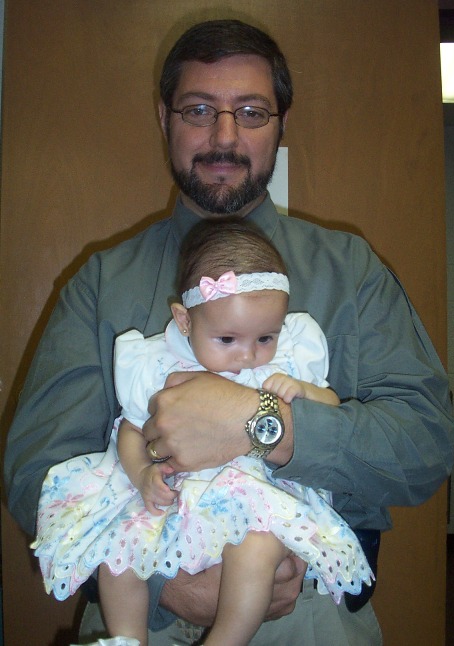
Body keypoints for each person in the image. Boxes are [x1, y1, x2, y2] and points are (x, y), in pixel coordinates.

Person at [4, 18, 454, 646]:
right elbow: (36, 468)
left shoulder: (351, 272)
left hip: (309, 615)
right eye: (198, 110)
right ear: (164, 118)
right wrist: (164, 582)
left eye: (250, 112)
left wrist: (263, 422)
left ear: (281, 123)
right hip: (133, 601)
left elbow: (427, 444)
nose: (224, 136)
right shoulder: (100, 283)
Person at [31, 220, 373, 646]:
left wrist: (304, 393)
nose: (247, 355)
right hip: (174, 503)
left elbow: (332, 407)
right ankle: (126, 639)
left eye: (265, 337)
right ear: (185, 321)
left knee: (258, 549)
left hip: (255, 501)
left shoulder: (287, 361)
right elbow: (131, 431)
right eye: (227, 339)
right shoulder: (157, 365)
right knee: (118, 554)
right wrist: (142, 475)